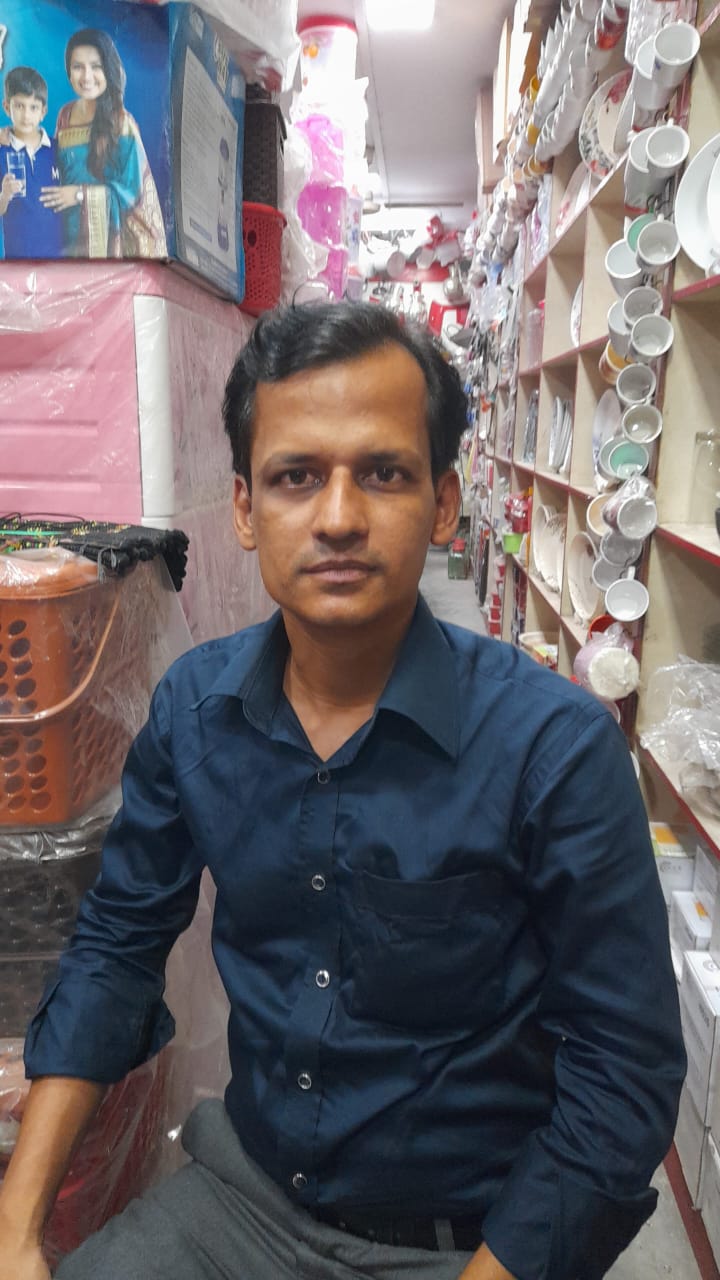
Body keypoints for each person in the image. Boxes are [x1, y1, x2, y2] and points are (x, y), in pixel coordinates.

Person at [0, 302, 685, 1280]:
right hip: (243, 1197)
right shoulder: (196, 710)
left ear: (443, 504)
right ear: (245, 509)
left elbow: (622, 1073)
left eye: (384, 473)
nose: (337, 517)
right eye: (296, 476)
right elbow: (116, 945)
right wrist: (16, 1223)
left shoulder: (556, 749)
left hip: (468, 1240)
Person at [39, 28, 167, 258]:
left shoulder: (122, 124)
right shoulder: (65, 116)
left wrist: (80, 195)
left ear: (109, 69)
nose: (86, 76)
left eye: (96, 66)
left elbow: (133, 193)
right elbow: (56, 168)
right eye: (78, 67)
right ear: (68, 72)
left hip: (111, 246)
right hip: (69, 238)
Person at [0, 66, 62, 258]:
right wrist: (5, 195)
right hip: (18, 258)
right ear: (6, 107)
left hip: (59, 258)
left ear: (43, 111)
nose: (26, 115)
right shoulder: (2, 151)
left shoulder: (58, 149)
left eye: (33, 107)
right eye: (19, 106)